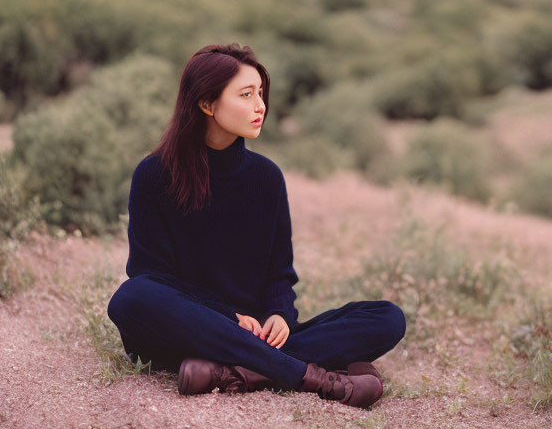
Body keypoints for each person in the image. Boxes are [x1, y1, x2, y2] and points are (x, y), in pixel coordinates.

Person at [106, 43, 406, 409]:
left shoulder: (266, 178)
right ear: (207, 104)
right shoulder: (154, 175)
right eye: (246, 95)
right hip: (188, 330)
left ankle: (228, 373)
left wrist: (279, 313)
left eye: (260, 94)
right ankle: (312, 377)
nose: (260, 106)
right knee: (132, 296)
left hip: (256, 334)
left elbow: (279, 274)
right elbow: (149, 275)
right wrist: (228, 318)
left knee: (387, 318)